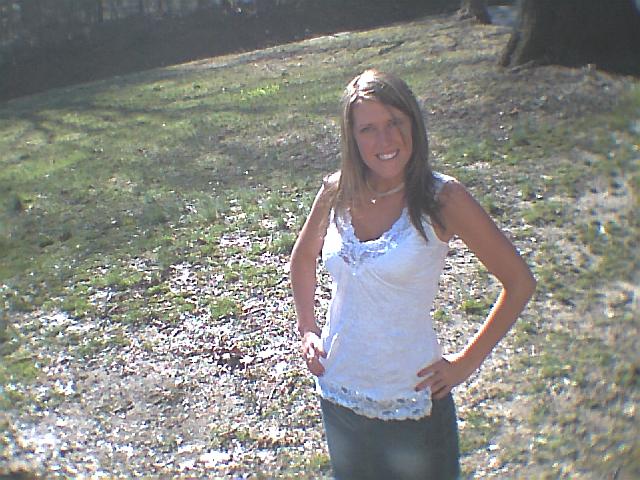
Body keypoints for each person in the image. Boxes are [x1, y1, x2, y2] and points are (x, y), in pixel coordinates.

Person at [289, 69, 536, 480]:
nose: (385, 140)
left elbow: (519, 283)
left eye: (394, 123)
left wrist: (465, 364)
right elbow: (301, 261)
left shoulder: (443, 198)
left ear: (413, 124)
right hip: (338, 391)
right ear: (352, 138)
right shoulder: (336, 191)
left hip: (412, 400)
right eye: (368, 129)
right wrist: (307, 329)